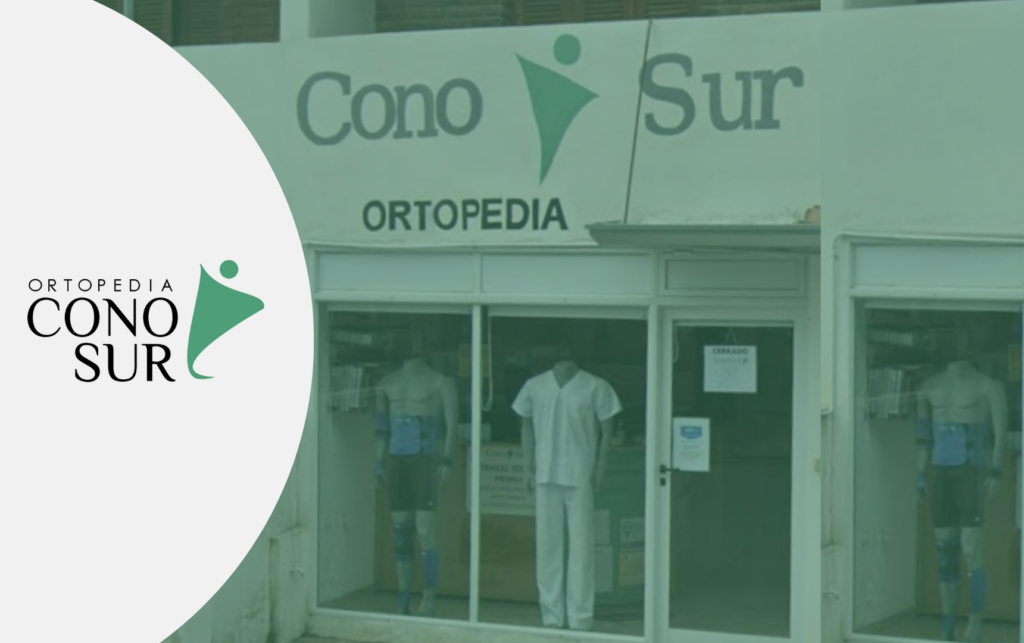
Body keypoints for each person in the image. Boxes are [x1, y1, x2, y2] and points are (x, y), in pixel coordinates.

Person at [513, 342, 622, 631]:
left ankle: (580, 617)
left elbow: (607, 429)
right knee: (547, 545)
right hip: (545, 471)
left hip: (580, 471)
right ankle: (552, 616)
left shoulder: (594, 386)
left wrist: (601, 466)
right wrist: (526, 467)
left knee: (581, 546)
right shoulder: (534, 386)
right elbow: (525, 426)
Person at [916, 342, 1006, 643]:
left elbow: (1000, 433)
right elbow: (923, 438)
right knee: (945, 551)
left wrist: (996, 470)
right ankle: (947, 623)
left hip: (971, 473)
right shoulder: (928, 387)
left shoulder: (989, 387)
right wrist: (919, 475)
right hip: (940, 474)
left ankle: (975, 621)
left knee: (970, 549)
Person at [375, 326, 458, 617]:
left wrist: (447, 459)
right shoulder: (386, 383)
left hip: (425, 461)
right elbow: (381, 429)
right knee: (401, 531)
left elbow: (451, 425)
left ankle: (428, 595)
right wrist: (377, 463)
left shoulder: (441, 382)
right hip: (397, 461)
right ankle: (403, 595)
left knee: (425, 530)